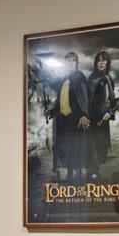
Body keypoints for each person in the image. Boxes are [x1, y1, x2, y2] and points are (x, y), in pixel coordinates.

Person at [50, 51, 91, 179]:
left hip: (76, 118)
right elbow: (60, 101)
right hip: (63, 119)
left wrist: (84, 115)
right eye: (68, 60)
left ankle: (77, 175)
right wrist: (51, 112)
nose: (71, 63)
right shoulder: (63, 80)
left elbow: (84, 97)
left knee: (76, 147)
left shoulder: (79, 77)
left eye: (73, 60)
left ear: (76, 63)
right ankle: (69, 172)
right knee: (65, 147)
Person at [86, 49, 114, 171]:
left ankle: (99, 173)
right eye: (99, 60)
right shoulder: (91, 78)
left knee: (102, 150)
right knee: (92, 150)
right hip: (92, 117)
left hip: (104, 117)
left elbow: (112, 100)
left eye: (104, 60)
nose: (101, 63)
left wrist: (110, 112)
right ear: (96, 63)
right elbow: (86, 98)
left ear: (107, 63)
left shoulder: (108, 78)